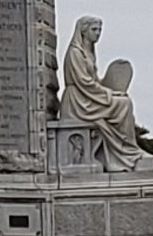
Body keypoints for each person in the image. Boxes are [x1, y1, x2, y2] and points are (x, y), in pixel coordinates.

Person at [61, 17, 145, 172]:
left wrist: (111, 88)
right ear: (83, 31)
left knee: (123, 100)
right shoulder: (76, 53)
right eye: (94, 30)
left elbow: (93, 81)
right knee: (123, 105)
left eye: (100, 30)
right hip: (78, 101)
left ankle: (126, 150)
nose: (98, 34)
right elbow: (83, 82)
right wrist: (109, 93)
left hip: (87, 96)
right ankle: (128, 153)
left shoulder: (89, 52)